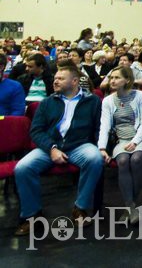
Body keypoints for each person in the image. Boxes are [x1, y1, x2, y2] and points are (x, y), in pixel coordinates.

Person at [13, 63, 103, 236]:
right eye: (55, 78)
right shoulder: (47, 102)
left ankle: (80, 208)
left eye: (61, 78)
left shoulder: (92, 101)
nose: (55, 81)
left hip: (79, 145)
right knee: (23, 168)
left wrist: (102, 147)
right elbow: (36, 131)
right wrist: (52, 148)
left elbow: (99, 128)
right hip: (50, 146)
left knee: (95, 159)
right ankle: (32, 215)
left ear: (75, 81)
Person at [98, 66, 142, 224]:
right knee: (123, 161)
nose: (112, 81)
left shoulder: (141, 96)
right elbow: (105, 126)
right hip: (121, 140)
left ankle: (130, 206)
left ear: (128, 80)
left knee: (136, 159)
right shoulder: (108, 101)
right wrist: (102, 148)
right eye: (111, 78)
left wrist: (135, 142)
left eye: (117, 77)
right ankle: (131, 207)